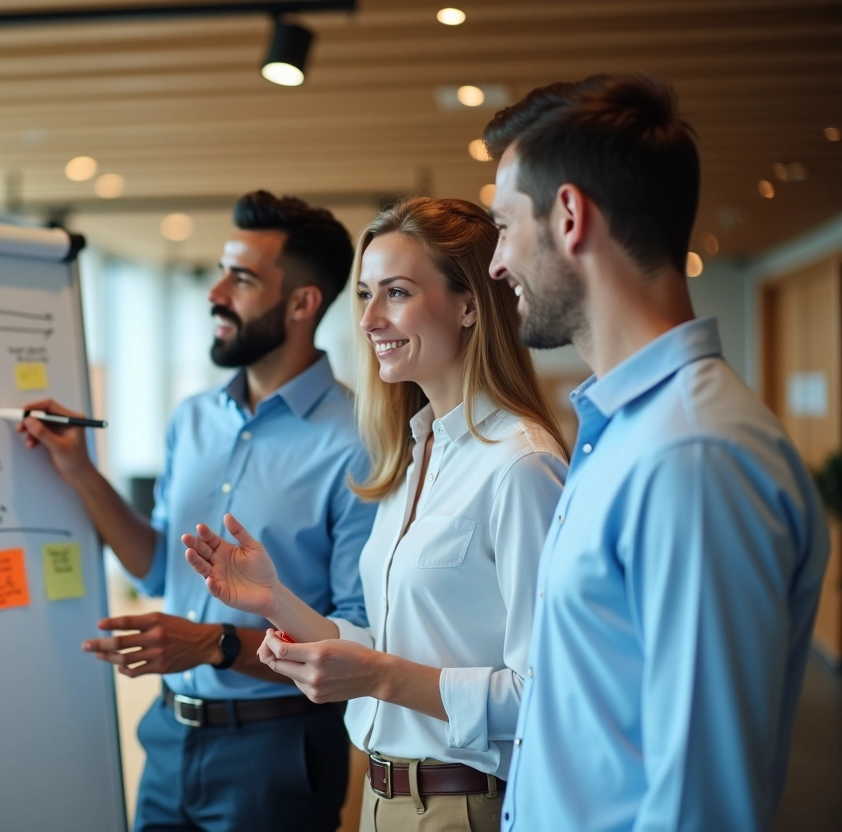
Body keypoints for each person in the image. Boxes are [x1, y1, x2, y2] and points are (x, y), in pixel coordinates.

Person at [481, 73, 830, 832]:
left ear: (569, 215)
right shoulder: (625, 432)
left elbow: (703, 803)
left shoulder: (692, 456)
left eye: (504, 227)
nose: (496, 263)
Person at [182, 196, 569, 832]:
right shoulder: (415, 453)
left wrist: (385, 678)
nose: (368, 319)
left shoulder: (520, 466)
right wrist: (276, 601)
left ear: (470, 304)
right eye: (365, 294)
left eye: (396, 292)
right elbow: (388, 649)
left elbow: (548, 695)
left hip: (465, 804)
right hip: (383, 798)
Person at [18, 191, 376, 832]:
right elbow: (159, 569)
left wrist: (212, 645)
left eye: (241, 279)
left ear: (302, 303)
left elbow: (353, 639)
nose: (215, 293)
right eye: (221, 271)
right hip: (166, 736)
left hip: (278, 752)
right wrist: (79, 469)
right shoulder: (193, 419)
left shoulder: (357, 443)